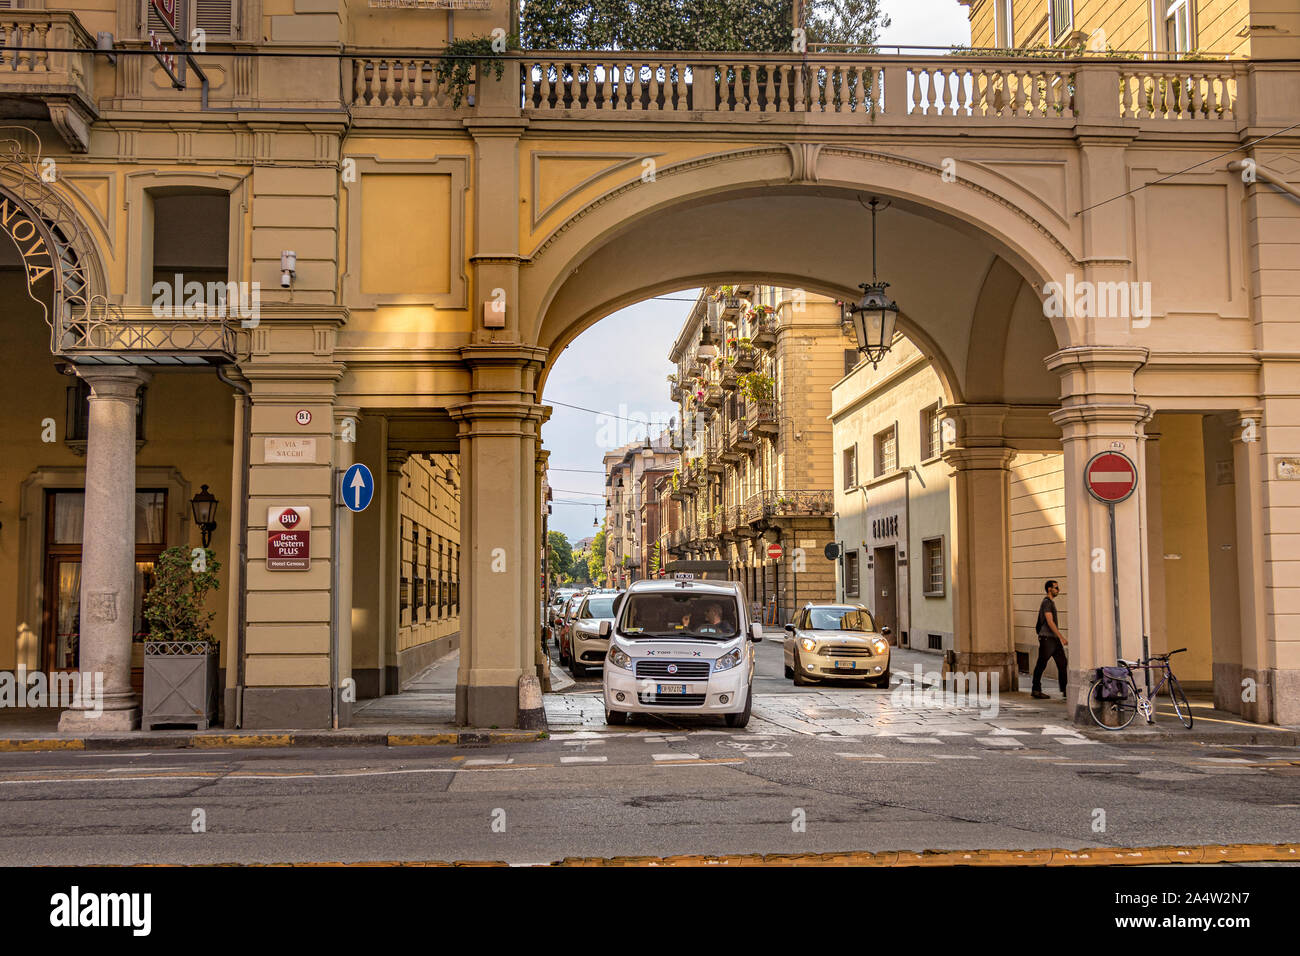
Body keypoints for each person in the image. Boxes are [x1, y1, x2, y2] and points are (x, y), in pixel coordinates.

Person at [1032, 579, 1067, 699]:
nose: (1058, 590)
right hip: (1047, 638)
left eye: (1058, 588)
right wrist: (1061, 637)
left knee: (1063, 663)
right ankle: (1036, 689)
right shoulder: (1046, 602)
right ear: (1049, 589)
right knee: (1041, 663)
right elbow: (1050, 621)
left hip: (1053, 639)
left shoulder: (1051, 603)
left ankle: (1066, 690)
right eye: (1056, 588)